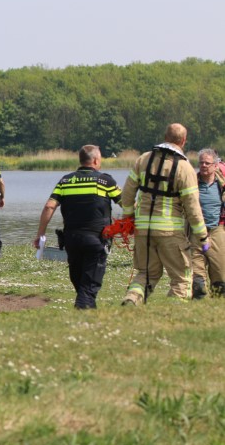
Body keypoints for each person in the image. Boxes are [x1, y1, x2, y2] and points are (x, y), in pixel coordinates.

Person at [121, 123, 208, 305]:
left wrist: (128, 218)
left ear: (165, 137)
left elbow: (127, 194)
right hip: (170, 232)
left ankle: (131, 300)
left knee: (146, 273)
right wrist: (202, 236)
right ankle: (172, 313)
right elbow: (193, 208)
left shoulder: (144, 159)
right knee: (182, 277)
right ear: (183, 141)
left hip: (143, 231)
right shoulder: (185, 168)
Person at [33, 145, 123, 309]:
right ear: (95, 160)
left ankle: (88, 321)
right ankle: (81, 317)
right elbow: (128, 204)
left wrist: (40, 234)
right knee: (87, 289)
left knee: (81, 284)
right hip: (96, 240)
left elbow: (49, 207)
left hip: (71, 241)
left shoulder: (66, 180)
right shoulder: (105, 181)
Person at [190, 148, 225, 299]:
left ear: (215, 165)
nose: (203, 165)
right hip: (196, 232)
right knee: (197, 276)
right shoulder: (191, 182)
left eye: (207, 163)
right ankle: (198, 302)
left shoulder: (221, 184)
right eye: (201, 162)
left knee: (220, 272)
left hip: (217, 230)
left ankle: (218, 302)